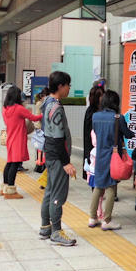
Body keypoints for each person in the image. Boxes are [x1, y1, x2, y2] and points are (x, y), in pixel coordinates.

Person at [39, 71, 77, 246]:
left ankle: (45, 227)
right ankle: (56, 231)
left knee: (50, 190)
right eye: (68, 85)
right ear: (61, 86)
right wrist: (66, 162)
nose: (69, 88)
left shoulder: (47, 102)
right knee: (57, 194)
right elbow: (58, 138)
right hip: (57, 156)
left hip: (50, 153)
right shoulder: (56, 108)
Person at [89, 90, 134, 230]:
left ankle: (92, 218)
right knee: (110, 187)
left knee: (98, 186)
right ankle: (107, 220)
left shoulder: (95, 116)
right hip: (113, 157)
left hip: (99, 155)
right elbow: (128, 134)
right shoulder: (118, 118)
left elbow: (96, 132)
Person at [1, 85, 43, 200]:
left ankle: (5, 187)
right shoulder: (19, 108)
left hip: (10, 138)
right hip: (18, 139)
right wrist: (43, 115)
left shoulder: (5, 109)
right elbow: (34, 118)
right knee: (15, 164)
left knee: (9, 163)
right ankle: (11, 190)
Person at [83, 85, 104, 180]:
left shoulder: (102, 110)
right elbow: (88, 135)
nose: (103, 98)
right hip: (93, 148)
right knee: (93, 174)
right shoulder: (91, 112)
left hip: (100, 148)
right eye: (100, 95)